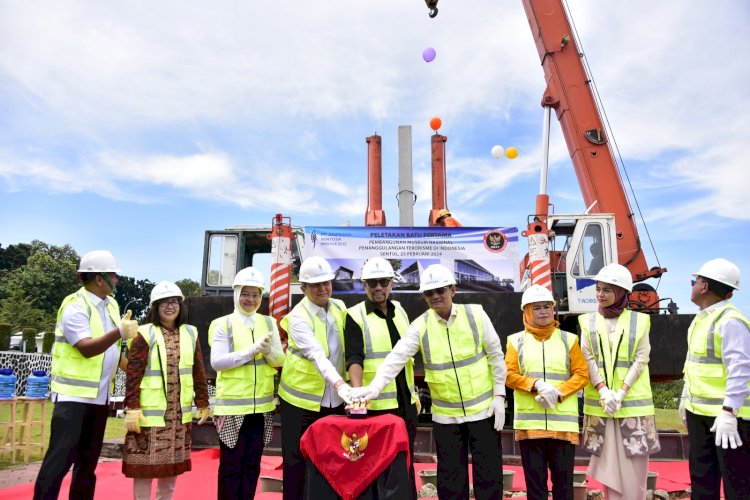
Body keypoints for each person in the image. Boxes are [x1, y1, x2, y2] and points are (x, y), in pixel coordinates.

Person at [353, 263, 507, 500]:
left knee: (489, 479)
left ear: (452, 290)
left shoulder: (475, 315)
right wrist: (374, 387)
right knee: (451, 482)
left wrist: (499, 395)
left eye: (441, 290)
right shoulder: (421, 325)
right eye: (430, 293)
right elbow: (396, 358)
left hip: (483, 412)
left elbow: (496, 355)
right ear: (424, 297)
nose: (436, 296)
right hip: (446, 417)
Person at [34, 250, 139, 500]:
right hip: (72, 399)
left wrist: (136, 372)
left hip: (99, 399)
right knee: (58, 463)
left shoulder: (111, 305)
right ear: (99, 278)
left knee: (87, 465)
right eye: (113, 275)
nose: (117, 280)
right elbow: (86, 348)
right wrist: (119, 333)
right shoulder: (75, 306)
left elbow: (113, 351)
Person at [122, 281, 210, 500]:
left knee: (171, 472)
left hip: (177, 417)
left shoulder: (190, 333)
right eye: (164, 302)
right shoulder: (144, 333)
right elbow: (133, 374)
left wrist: (203, 402)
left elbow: (199, 370)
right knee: (143, 472)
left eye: (174, 302)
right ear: (155, 307)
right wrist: (131, 407)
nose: (170, 307)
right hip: (149, 416)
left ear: (180, 306)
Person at [580, 263, 660, 500]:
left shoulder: (640, 321)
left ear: (622, 293)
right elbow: (588, 359)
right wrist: (604, 391)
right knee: (609, 465)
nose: (600, 295)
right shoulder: (588, 321)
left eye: (607, 290)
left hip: (632, 406)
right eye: (598, 288)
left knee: (634, 467)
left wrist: (621, 392)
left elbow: (641, 358)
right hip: (603, 406)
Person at [278, 256, 353, 499]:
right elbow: (318, 355)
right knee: (296, 462)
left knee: (332, 460)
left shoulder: (340, 308)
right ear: (303, 288)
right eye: (315, 285)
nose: (322, 289)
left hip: (334, 401)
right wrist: (342, 384)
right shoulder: (298, 317)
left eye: (326, 283)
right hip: (300, 402)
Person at [344, 257, 418, 498]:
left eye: (383, 282)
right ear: (364, 286)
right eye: (372, 283)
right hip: (376, 405)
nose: (378, 287)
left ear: (391, 283)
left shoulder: (401, 311)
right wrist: (357, 396)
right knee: (376, 465)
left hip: (405, 402)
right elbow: (354, 358)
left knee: (405, 459)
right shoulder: (355, 315)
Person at [505, 285, 589, 500]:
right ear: (526, 312)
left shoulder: (569, 340)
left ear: (553, 310)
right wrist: (536, 385)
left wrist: (558, 392)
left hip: (562, 426)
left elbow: (581, 374)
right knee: (535, 485)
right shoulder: (516, 341)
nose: (543, 312)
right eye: (537, 308)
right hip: (530, 427)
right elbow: (509, 375)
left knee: (563, 484)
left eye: (547, 307)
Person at [208, 267, 285, 499]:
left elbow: (280, 360)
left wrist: (269, 352)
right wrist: (252, 351)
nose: (250, 299)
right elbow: (218, 362)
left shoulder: (269, 322)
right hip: (232, 409)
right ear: (236, 294)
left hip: (261, 410)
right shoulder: (223, 324)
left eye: (255, 294)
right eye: (245, 293)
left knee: (252, 467)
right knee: (231, 469)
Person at [680, 258, 750, 499]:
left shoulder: (731, 321)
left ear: (705, 287)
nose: (692, 286)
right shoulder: (701, 319)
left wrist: (730, 412)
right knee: (702, 480)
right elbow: (693, 366)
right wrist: (684, 398)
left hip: (730, 419)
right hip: (699, 414)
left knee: (738, 484)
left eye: (694, 281)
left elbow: (740, 369)